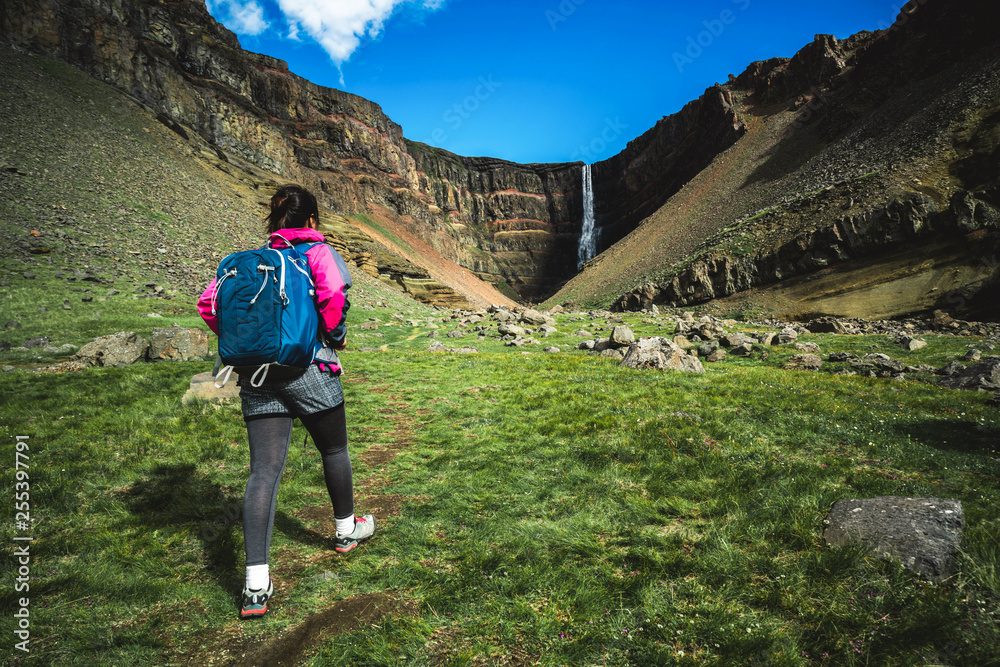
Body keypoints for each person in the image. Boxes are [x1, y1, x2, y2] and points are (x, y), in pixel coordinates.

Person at [197, 185, 375, 619]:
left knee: (263, 472)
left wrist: (252, 345)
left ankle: (255, 584)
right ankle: (345, 530)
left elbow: (207, 304)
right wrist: (334, 336)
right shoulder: (316, 252)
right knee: (333, 448)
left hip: (258, 376)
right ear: (312, 220)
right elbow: (333, 296)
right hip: (308, 369)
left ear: (274, 221)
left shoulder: (252, 262)